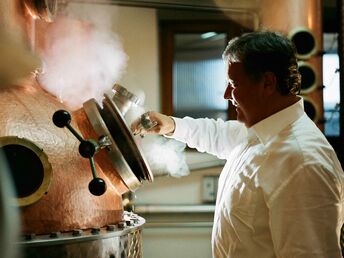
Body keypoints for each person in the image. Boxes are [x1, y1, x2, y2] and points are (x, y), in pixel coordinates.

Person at [131, 31, 344, 258]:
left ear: (268, 83)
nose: (225, 95)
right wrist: (171, 125)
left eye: (233, 84)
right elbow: (217, 134)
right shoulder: (260, 130)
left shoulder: (302, 162)